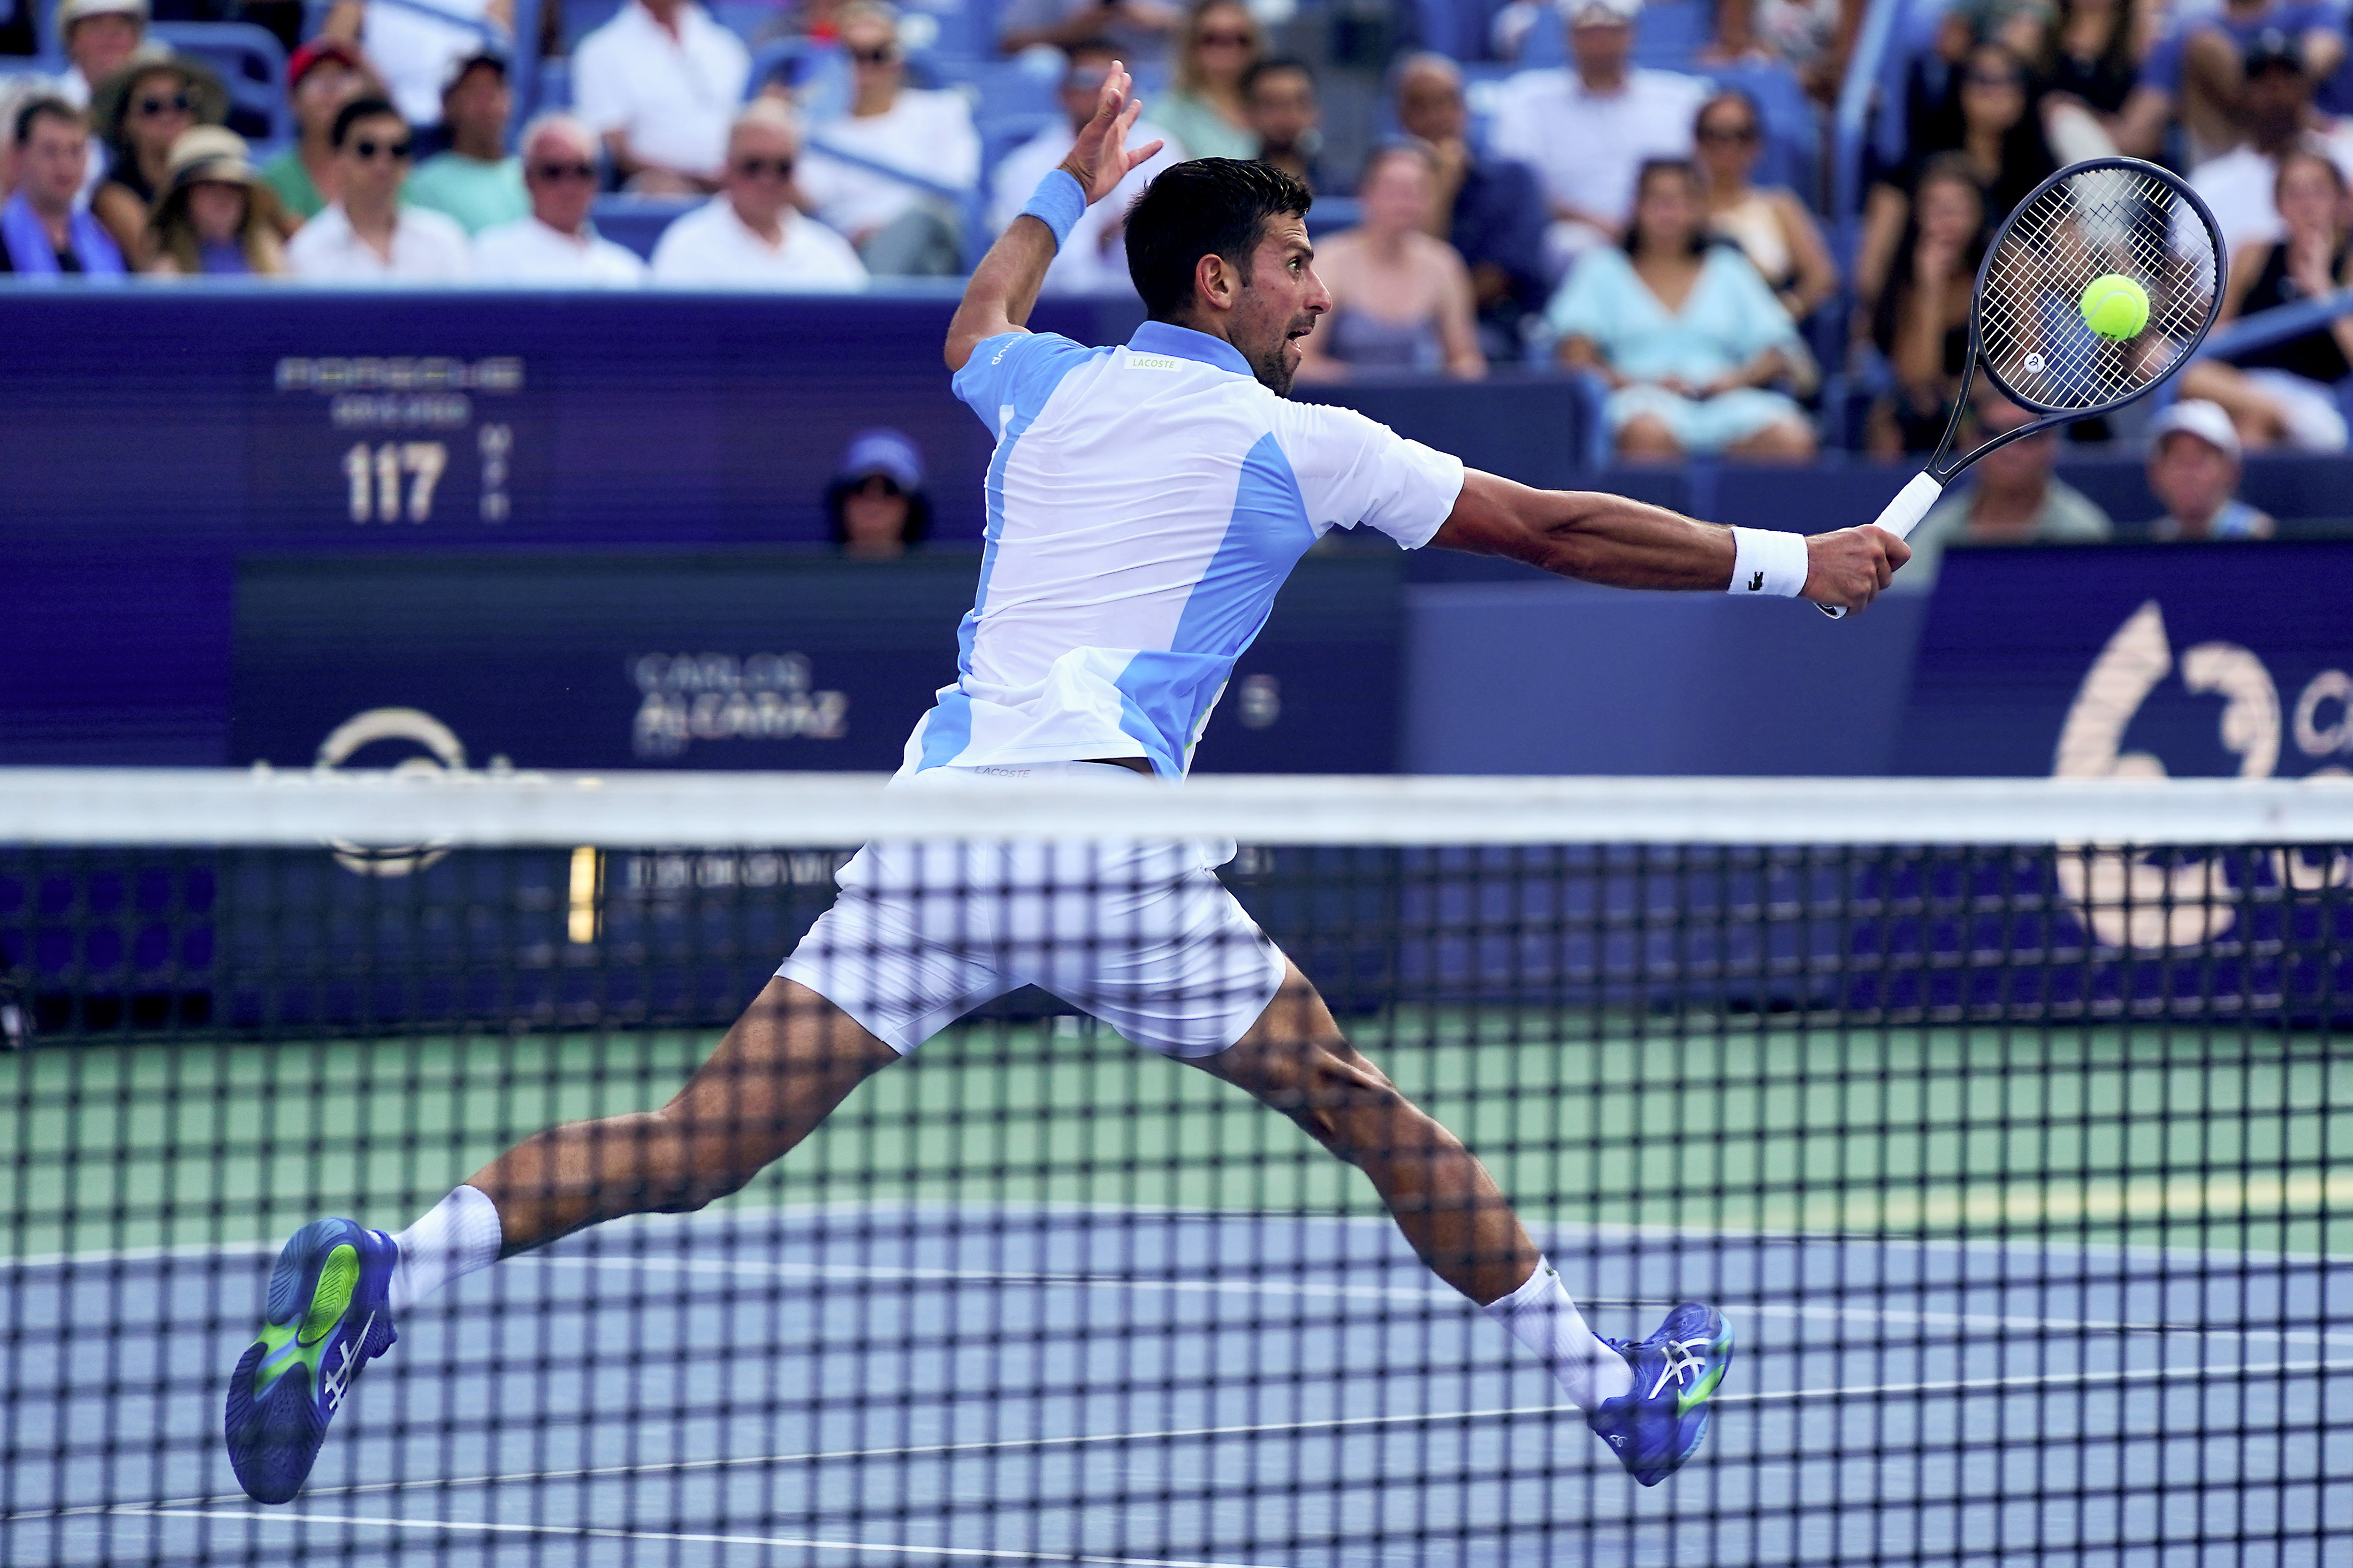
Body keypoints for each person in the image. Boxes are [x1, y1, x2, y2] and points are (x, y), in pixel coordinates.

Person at [222, 67, 1911, 1513]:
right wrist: (1792, 560)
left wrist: (1059, 176)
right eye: (1295, 266)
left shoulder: (1043, 394)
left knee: (691, 1144)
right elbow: (1554, 526)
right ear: (1215, 285)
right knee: (1355, 1094)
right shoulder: (1303, 440)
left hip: (935, 831)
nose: (1319, 295)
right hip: (1097, 838)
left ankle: (400, 1262)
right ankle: (1615, 1388)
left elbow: (977, 319)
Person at [1550, 157, 1815, 461]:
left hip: (1725, 401)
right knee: (1647, 435)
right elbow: (1576, 358)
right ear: (1636, 206)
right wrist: (1641, 383)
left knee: (1790, 438)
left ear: (1700, 209)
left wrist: (1734, 381)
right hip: (1636, 400)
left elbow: (1777, 351)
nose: (1669, 213)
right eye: (1658, 200)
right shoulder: (1601, 269)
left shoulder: (1729, 268)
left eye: (1682, 201)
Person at [1493, 0, 1711, 276]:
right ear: (1568, 35)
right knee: (1566, 245)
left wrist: (1651, 226)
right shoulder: (1527, 98)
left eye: (1611, 31)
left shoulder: (1681, 99)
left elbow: (1702, 180)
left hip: (1668, 227)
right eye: (1589, 32)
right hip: (1579, 233)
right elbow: (1525, 190)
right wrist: (1607, 227)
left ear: (1632, 33)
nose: (1600, 42)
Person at [2178, 147, 2353, 451]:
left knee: (2253, 425)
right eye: (2294, 194)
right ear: (2278, 205)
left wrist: (2322, 290)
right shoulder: (2254, 254)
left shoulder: (2350, 263)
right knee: (2183, 371)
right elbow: (2217, 339)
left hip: (2318, 395)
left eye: (2318, 192)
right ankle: (2289, 416)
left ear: (2341, 201)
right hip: (2245, 387)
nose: (2307, 205)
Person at [1857, 40, 2053, 312]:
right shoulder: (1913, 171)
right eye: (1983, 79)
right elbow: (1871, 272)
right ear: (1959, 87)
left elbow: (2065, 256)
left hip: (2015, 317)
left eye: (2011, 79)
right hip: (1916, 309)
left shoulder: (2043, 174)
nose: (1999, 91)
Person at [987, 38, 1183, 295]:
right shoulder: (1023, 166)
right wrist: (1103, 240)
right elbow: (1020, 268)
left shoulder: (1161, 148)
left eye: (1114, 82)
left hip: (1150, 307)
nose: (1104, 93)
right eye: (1087, 79)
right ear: (1063, 92)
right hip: (1057, 315)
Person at [796, 2, 977, 277]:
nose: (866, 67)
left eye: (878, 55)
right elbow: (815, 199)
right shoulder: (816, 129)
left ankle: (868, 312)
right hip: (855, 249)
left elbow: (955, 186)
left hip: (936, 237)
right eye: (855, 55)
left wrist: (886, 227)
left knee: (922, 223)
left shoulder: (943, 112)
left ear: (899, 59)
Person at [1391, 52, 1547, 364]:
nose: (1435, 118)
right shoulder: (1386, 186)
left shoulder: (1513, 179)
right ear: (1401, 117)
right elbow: (1394, 265)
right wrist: (1438, 193)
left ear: (1464, 110)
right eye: (1420, 105)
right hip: (1395, 326)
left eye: (1446, 103)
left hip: (1486, 324)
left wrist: (1445, 188)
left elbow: (1497, 280)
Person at [1294, 143, 1486, 381]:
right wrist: (1367, 388)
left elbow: (1465, 357)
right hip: (1343, 404)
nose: (1405, 201)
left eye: (1417, 190)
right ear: (1366, 192)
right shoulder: (1328, 261)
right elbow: (1301, 358)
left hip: (1421, 404)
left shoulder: (1443, 263)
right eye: (1394, 189)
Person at [1895, 390, 2113, 589]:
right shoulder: (1935, 534)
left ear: (2051, 443)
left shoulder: (2087, 532)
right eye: (1994, 435)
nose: (2010, 451)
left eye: (2028, 435)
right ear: (1971, 440)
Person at [648, 101, 867, 288]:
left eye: (781, 168)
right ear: (728, 168)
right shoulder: (687, 246)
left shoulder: (828, 250)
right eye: (753, 166)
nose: (767, 180)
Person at [2189, 32, 2353, 256]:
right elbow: (2179, 281)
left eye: (2287, 79)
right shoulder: (2207, 187)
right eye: (2263, 82)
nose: (2276, 91)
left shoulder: (2347, 157)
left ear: (2307, 87)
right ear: (2243, 92)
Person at [2123, 0, 2344, 164]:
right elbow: (2141, 126)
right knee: (2204, 43)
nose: (2272, 87)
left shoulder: (2309, 11)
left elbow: (2326, 52)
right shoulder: (2189, 25)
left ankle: (2277, 135)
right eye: (2264, 83)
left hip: (2309, 143)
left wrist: (2276, 89)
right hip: (2221, 149)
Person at [285, 96, 473, 280]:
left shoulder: (444, 240)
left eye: (398, 150)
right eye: (367, 150)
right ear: (338, 160)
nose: (384, 163)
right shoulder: (307, 251)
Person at [573, 0, 751, 193]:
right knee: (663, 189)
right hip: (659, 183)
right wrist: (700, 180)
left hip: (736, 180)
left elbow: (749, 121)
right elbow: (619, 152)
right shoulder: (600, 51)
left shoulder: (725, 45)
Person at [1692, 88, 1837, 325]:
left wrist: (1780, 316)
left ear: (1757, 145)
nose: (1727, 147)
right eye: (1715, 135)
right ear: (1697, 143)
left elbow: (1821, 277)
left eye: (1741, 135)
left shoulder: (1780, 206)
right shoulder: (1680, 212)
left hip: (1765, 337)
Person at [1869, 155, 1983, 456]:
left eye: (1959, 208)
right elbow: (1917, 378)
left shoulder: (2006, 264)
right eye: (1936, 208)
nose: (1948, 220)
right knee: (1894, 417)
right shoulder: (1903, 279)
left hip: (1990, 395)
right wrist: (1930, 289)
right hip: (1925, 403)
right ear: (1916, 215)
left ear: (1979, 213)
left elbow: (2030, 366)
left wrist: (1961, 391)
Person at [472, 112, 647, 284]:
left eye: (582, 171)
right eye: (553, 172)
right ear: (528, 179)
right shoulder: (493, 255)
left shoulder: (626, 269)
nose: (569, 186)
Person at [87, 50, 225, 267]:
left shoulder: (211, 177)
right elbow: (155, 261)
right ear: (126, 123)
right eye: (152, 107)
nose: (169, 115)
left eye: (181, 102)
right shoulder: (113, 195)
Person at [317, 0, 511, 129]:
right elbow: (332, 47)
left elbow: (500, 47)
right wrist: (380, 94)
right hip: (376, 115)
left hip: (457, 125)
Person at [402, 50, 526, 236]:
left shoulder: (540, 177)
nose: (486, 99)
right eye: (473, 89)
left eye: (495, 87)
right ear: (446, 105)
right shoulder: (421, 186)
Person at [260, 37, 376, 225]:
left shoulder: (385, 164)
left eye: (343, 76)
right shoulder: (273, 181)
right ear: (293, 101)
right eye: (316, 78)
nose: (331, 87)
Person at [1, 93, 123, 272]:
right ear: (19, 156)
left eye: (76, 151)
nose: (65, 164)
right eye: (50, 151)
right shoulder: (4, 238)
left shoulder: (108, 236)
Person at [144, 124, 288, 274]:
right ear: (183, 198)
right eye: (208, 185)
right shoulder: (166, 274)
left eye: (233, 186)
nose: (223, 197)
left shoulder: (271, 256)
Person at [2143, 398, 2276, 539]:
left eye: (2201, 459)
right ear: (2156, 473)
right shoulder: (2155, 539)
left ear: (2231, 471)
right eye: (2178, 459)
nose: (2189, 474)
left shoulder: (2260, 537)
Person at [1149, 0, 1259, 163]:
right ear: (1191, 45)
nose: (1227, 49)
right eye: (1212, 39)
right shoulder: (1166, 115)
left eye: (1240, 39)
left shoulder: (1271, 105)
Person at [826, 427, 931, 555]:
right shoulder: (812, 575)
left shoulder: (943, 575)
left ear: (912, 508)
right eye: (860, 488)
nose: (873, 506)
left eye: (890, 490)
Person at [996, 0, 1175, 71]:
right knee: (1039, 64)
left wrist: (1163, 20)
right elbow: (1008, 42)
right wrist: (1070, 32)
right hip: (1074, 74)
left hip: (1155, 71)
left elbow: (1202, 23)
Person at [1241, 57, 1327, 193]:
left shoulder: (1348, 191)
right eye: (1271, 104)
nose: (1286, 116)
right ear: (1249, 113)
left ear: (1315, 111)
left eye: (1299, 103)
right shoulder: (1236, 191)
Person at [49, 0, 144, 110]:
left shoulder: (155, 107)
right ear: (72, 40)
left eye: (121, 27)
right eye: (96, 27)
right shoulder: (51, 106)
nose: (109, 37)